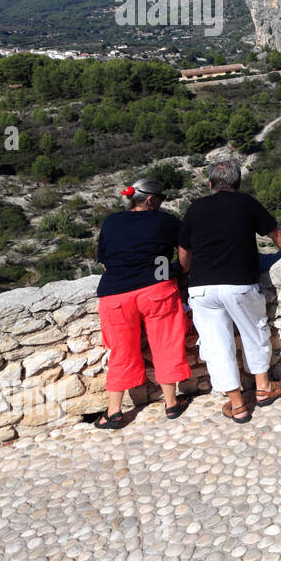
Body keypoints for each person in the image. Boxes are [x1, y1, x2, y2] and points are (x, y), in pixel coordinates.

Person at [178, 160, 281, 423]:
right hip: (239, 284)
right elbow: (275, 233)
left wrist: (188, 272)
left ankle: (237, 405)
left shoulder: (195, 208)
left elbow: (184, 252)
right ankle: (263, 388)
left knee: (215, 346)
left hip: (202, 288)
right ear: (237, 183)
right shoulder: (247, 203)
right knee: (254, 332)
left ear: (210, 184)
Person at [93, 177, 192, 428]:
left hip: (115, 294)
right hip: (156, 288)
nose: (161, 203)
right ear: (151, 200)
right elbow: (185, 251)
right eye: (160, 199)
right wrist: (179, 268)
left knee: (120, 351)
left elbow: (104, 260)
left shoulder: (111, 221)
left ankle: (114, 411)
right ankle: (171, 403)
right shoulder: (166, 221)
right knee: (166, 343)